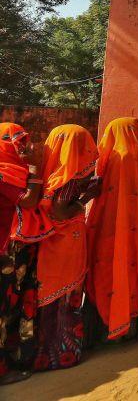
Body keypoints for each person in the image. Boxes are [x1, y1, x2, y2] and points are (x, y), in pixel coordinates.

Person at [34, 125, 100, 371]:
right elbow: (60, 211)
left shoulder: (50, 173)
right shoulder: (66, 178)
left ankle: (44, 355)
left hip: (53, 248)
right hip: (63, 251)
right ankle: (62, 355)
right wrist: (87, 197)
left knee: (51, 305)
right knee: (63, 304)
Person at [86, 117, 138, 341]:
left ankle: (106, 326)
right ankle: (122, 324)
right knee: (125, 268)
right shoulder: (134, 157)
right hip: (129, 225)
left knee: (105, 270)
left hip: (106, 223)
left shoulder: (109, 154)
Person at [0, 123, 46, 384]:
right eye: (19, 142)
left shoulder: (12, 171)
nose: (25, 147)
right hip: (6, 250)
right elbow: (29, 200)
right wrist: (35, 167)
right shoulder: (3, 173)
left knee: (12, 307)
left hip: (15, 250)